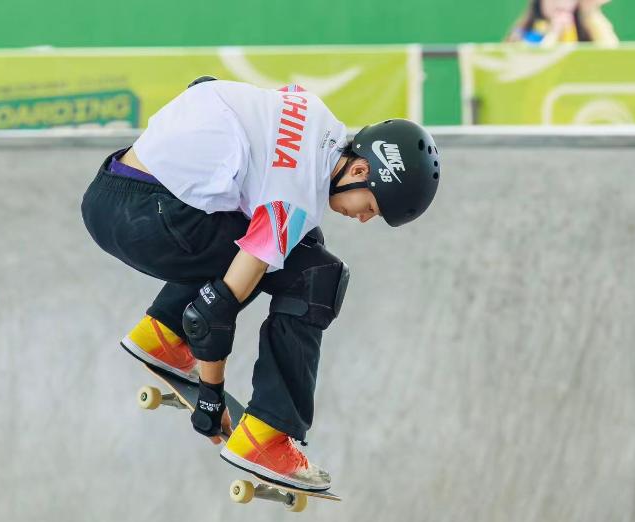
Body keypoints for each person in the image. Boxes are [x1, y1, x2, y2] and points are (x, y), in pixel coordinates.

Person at [81, 77, 440, 491]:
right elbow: (213, 312)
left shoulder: (312, 111)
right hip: (147, 222)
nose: (362, 219)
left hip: (115, 189)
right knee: (314, 274)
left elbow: (209, 89)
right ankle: (266, 436)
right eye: (371, 207)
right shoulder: (292, 197)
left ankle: (164, 333)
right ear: (360, 170)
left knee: (300, 244)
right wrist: (211, 395)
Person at [505, 0, 619, 47]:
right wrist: (554, 33)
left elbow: (610, 54)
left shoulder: (588, 28)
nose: (560, 3)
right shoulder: (523, 32)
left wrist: (590, 12)